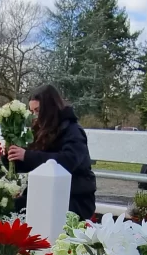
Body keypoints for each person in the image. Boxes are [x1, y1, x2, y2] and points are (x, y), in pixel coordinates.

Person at [7, 84, 96, 220]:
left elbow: (68, 161)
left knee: (24, 211)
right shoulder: (41, 129)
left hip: (74, 196)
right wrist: (11, 157)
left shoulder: (73, 130)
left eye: (37, 110)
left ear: (49, 108)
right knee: (11, 208)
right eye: (32, 111)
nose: (34, 116)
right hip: (45, 192)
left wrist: (27, 155)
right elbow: (32, 162)